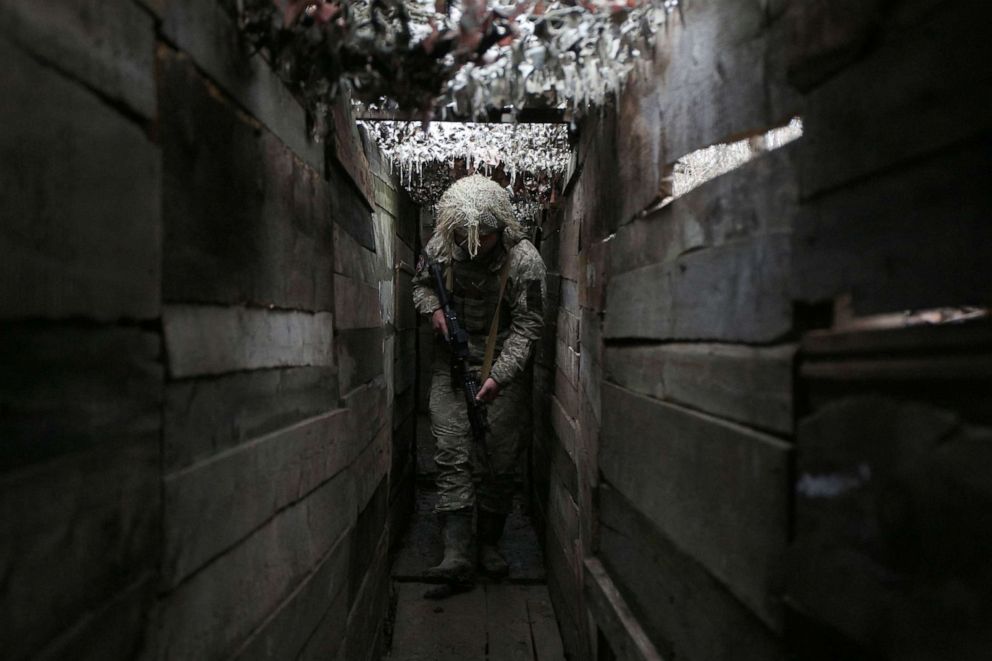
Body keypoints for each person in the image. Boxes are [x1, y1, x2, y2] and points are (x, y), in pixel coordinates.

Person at [411, 174, 547, 590]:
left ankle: (489, 542)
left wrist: (499, 378)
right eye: (462, 237)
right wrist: (433, 311)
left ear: (501, 229)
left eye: (483, 238)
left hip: (501, 371)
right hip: (450, 368)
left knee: (498, 461)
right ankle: (456, 552)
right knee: (451, 452)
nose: (472, 246)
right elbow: (420, 287)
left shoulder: (524, 260)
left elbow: (529, 325)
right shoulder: (439, 248)